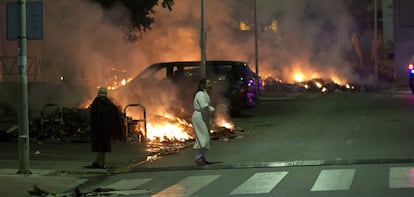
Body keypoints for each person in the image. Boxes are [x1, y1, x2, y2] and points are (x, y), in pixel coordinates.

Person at [89, 87, 123, 169]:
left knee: (103, 146)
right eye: (101, 93)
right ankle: (102, 162)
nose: (103, 95)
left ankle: (97, 162)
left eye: (104, 93)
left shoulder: (108, 103)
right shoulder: (96, 103)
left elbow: (113, 110)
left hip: (106, 128)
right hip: (98, 128)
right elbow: (93, 116)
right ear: (98, 94)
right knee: (101, 146)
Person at [192, 77, 215, 165]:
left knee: (203, 137)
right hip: (199, 117)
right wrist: (211, 108)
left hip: (203, 117)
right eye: (208, 83)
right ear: (203, 85)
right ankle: (198, 158)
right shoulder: (200, 94)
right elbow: (203, 106)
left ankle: (201, 157)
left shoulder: (205, 94)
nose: (211, 85)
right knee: (203, 138)